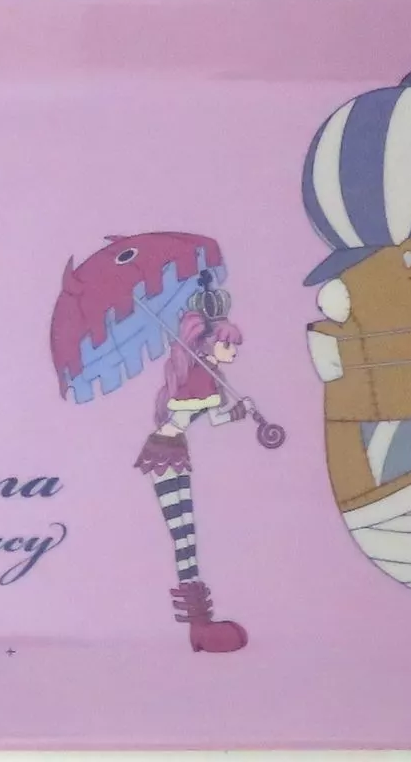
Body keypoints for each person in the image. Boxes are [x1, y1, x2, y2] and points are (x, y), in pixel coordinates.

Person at [133, 273, 254, 653]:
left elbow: (214, 417)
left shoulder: (206, 378)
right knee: (182, 534)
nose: (233, 352)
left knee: (187, 533)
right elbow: (192, 411)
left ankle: (199, 623)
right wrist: (230, 406)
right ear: (205, 344)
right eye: (226, 344)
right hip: (164, 453)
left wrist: (238, 411)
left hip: (174, 451)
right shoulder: (197, 379)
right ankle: (196, 624)